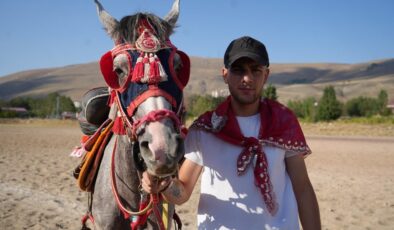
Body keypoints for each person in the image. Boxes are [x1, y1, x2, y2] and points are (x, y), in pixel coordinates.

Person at [142, 36, 321, 229]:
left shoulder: (284, 123)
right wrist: (163, 184)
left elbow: (302, 189)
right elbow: (183, 192)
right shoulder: (205, 129)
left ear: (266, 75)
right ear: (225, 74)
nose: (247, 79)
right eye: (238, 70)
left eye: (255, 70)